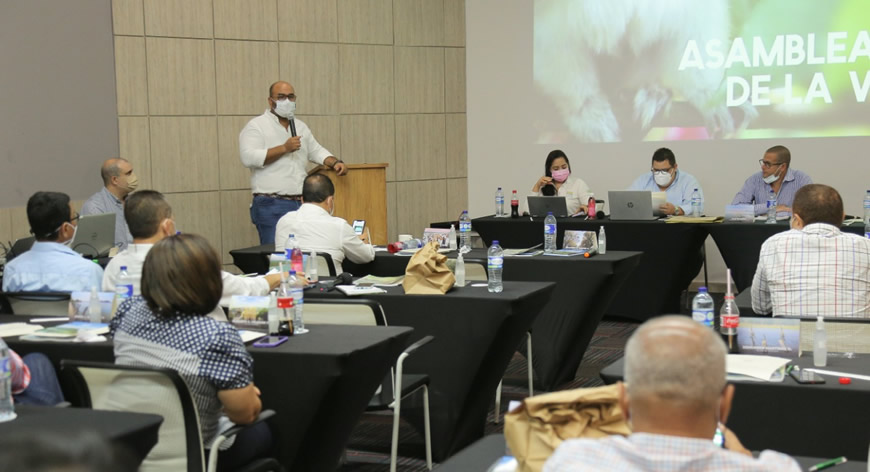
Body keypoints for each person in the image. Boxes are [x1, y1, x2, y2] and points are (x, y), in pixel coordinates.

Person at [544, 316, 800, 471]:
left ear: (622, 400)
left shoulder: (572, 460)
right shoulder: (778, 467)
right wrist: (744, 457)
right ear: (724, 405)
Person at [111, 234, 272, 470]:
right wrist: (249, 393)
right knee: (264, 429)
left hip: (129, 448)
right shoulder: (216, 335)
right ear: (209, 281)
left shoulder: (128, 312)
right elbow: (245, 415)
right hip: (197, 453)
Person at [102, 190, 282, 320]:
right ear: (167, 226)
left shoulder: (114, 266)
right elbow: (240, 290)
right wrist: (276, 277)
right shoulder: (180, 259)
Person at [240, 80, 348, 244]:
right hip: (271, 203)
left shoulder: (300, 126)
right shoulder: (257, 126)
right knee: (277, 253)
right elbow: (248, 158)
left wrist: (334, 162)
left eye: (290, 97)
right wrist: (284, 148)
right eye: (281, 97)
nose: (287, 101)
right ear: (270, 101)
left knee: (303, 251)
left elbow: (315, 150)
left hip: (302, 203)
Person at [752, 184, 870, 318]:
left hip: (792, 332)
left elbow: (761, 307)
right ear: (843, 217)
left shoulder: (774, 244)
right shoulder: (866, 246)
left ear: (796, 219)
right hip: (854, 332)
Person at [2, 191, 103, 292]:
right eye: (75, 217)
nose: (76, 222)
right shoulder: (90, 271)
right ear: (65, 229)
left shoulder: (12, 270)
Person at [274, 174, 375, 273]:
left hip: (289, 282)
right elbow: (365, 256)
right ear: (330, 200)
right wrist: (364, 243)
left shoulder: (283, 221)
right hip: (328, 283)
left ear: (302, 199)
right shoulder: (339, 226)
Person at [732, 145, 812, 216]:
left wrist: (766, 213)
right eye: (763, 163)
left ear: (782, 167)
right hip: (761, 228)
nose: (762, 167)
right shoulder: (755, 179)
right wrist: (771, 206)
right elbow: (734, 211)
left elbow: (810, 210)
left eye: (767, 164)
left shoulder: (801, 179)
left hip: (791, 228)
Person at [81, 158, 138, 250]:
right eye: (128, 173)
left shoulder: (137, 202)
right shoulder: (95, 208)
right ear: (114, 180)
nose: (134, 176)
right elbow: (94, 250)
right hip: (113, 259)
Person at [628, 147, 703, 216]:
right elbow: (628, 200)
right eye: (656, 170)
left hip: (677, 225)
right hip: (648, 224)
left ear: (675, 167)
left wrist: (675, 210)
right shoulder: (643, 180)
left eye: (665, 170)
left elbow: (697, 207)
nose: (660, 174)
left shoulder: (688, 181)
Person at [531, 150, 592, 215]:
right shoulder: (543, 186)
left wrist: (586, 208)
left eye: (564, 167)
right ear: (549, 170)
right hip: (548, 221)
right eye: (556, 169)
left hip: (572, 221)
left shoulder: (578, 183)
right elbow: (527, 211)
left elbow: (593, 207)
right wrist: (537, 186)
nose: (560, 171)